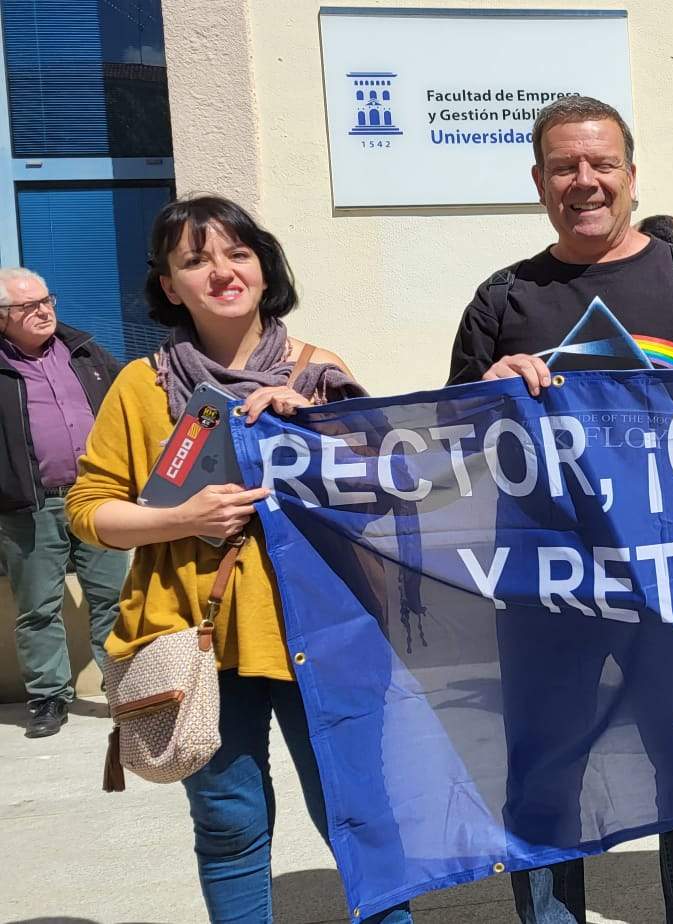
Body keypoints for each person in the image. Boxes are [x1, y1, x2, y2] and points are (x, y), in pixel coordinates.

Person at [65, 195, 411, 923]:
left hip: (322, 630)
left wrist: (313, 425)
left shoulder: (320, 371)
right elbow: (89, 510)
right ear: (169, 286)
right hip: (199, 636)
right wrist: (178, 519)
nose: (221, 272)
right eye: (195, 260)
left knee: (359, 813)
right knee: (229, 824)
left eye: (237, 253)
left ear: (263, 266)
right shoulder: (141, 386)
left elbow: (386, 492)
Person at [449, 96, 673, 924]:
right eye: (564, 167)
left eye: (601, 164)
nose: (584, 181)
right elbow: (455, 438)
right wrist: (487, 393)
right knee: (544, 769)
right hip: (547, 583)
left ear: (630, 173)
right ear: (540, 181)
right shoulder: (502, 297)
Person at [0, 267, 128, 738]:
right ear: (2, 318)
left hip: (97, 497)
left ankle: (125, 690)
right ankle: (48, 697)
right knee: (37, 607)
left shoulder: (86, 352)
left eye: (47, 299)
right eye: (28, 306)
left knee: (113, 598)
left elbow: (127, 403)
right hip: (28, 506)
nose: (44, 310)